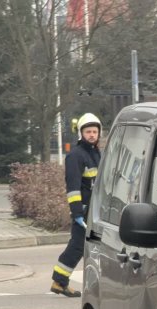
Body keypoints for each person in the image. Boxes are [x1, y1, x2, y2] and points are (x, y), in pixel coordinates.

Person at [50, 113, 102, 297]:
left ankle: (60, 280)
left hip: (95, 210)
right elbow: (73, 188)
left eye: (95, 131)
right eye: (88, 131)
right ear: (81, 133)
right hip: (84, 211)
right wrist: (77, 213)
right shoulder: (76, 156)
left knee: (88, 246)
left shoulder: (95, 153)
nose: (92, 135)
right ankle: (59, 281)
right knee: (78, 246)